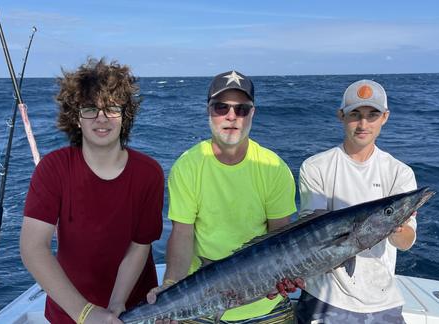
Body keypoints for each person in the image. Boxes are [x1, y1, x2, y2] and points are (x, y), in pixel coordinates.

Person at [20, 58, 164, 324]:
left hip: (137, 311)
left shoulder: (149, 172)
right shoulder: (53, 169)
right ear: (76, 117)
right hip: (69, 312)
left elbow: (140, 245)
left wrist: (115, 306)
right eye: (90, 109)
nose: (101, 118)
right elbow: (33, 247)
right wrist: (85, 313)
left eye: (111, 108)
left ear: (125, 115)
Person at [147, 70, 297, 323]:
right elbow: (182, 233)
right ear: (209, 110)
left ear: (252, 113)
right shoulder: (188, 166)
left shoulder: (275, 168)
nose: (231, 116)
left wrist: (289, 276)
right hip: (200, 301)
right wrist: (171, 284)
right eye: (221, 107)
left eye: (241, 109)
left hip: (264, 305)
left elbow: (280, 240)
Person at [295, 80, 418, 324]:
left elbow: (406, 242)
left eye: (372, 115)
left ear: (385, 117)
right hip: (325, 298)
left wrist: (397, 228)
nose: (363, 124)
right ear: (341, 116)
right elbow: (312, 234)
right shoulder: (316, 166)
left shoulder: (399, 172)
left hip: (383, 299)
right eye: (355, 115)